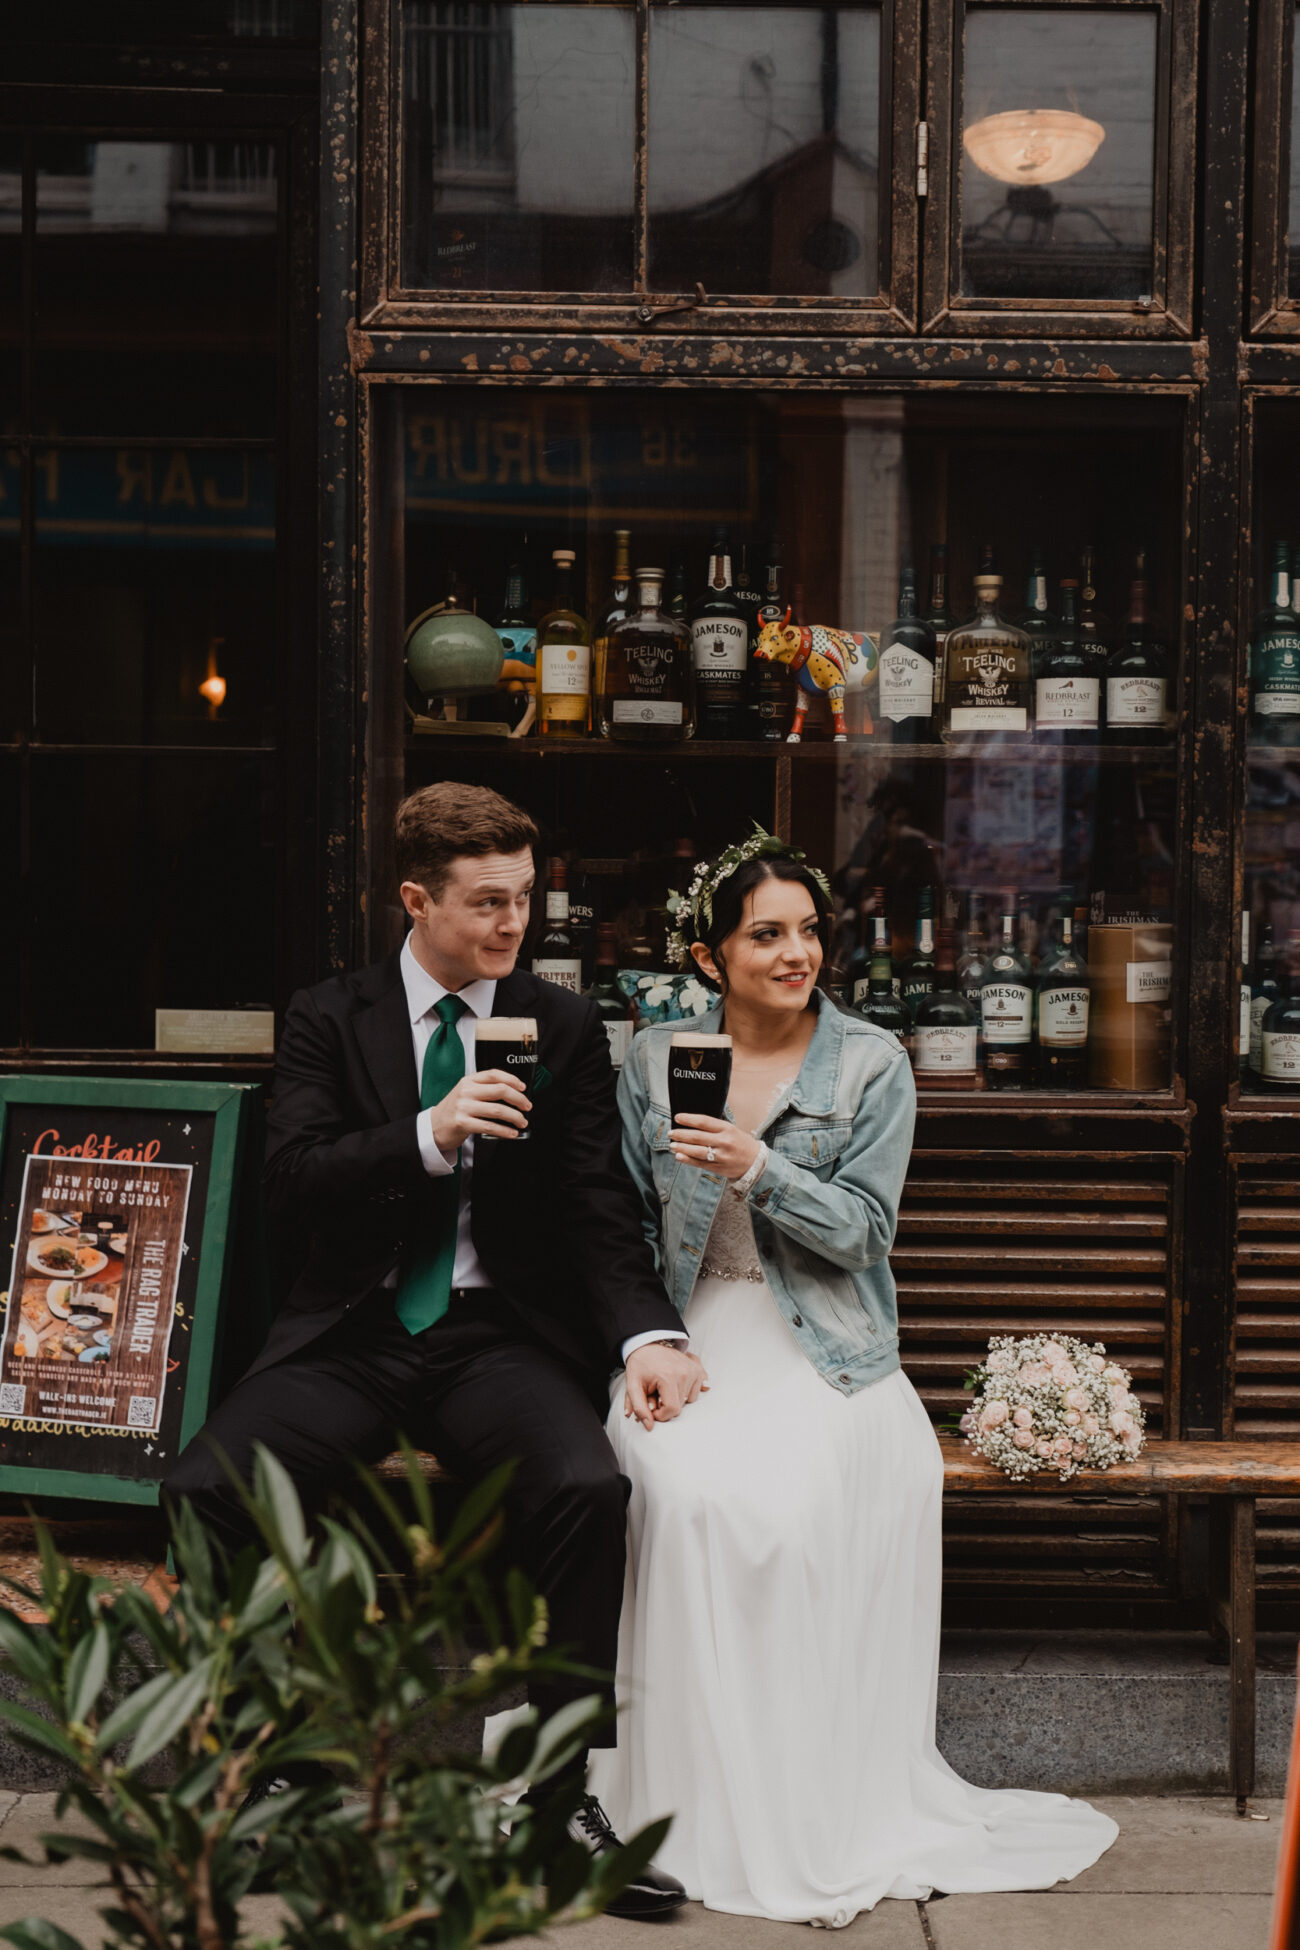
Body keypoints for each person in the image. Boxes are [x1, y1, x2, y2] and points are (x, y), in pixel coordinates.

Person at [163, 781, 700, 1921]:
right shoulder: (329, 1014)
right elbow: (292, 1178)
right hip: (350, 1334)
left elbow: (598, 1204)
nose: (515, 925)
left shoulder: (558, 1023)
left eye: (526, 897)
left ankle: (556, 1805)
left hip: (490, 1337)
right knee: (209, 1489)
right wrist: (426, 1133)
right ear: (416, 899)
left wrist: (650, 1336)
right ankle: (285, 1771)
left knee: (586, 1486)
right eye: (488, 903)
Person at [588, 827, 1118, 1927]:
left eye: (809, 931)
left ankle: (810, 1798)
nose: (797, 954)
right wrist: (645, 1345)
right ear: (709, 958)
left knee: (798, 1510)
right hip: (688, 1340)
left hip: (824, 1347)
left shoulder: (870, 1063)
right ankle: (686, 1807)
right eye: (765, 934)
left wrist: (761, 1166)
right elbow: (625, 1230)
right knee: (685, 1498)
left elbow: (866, 1237)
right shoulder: (652, 1060)